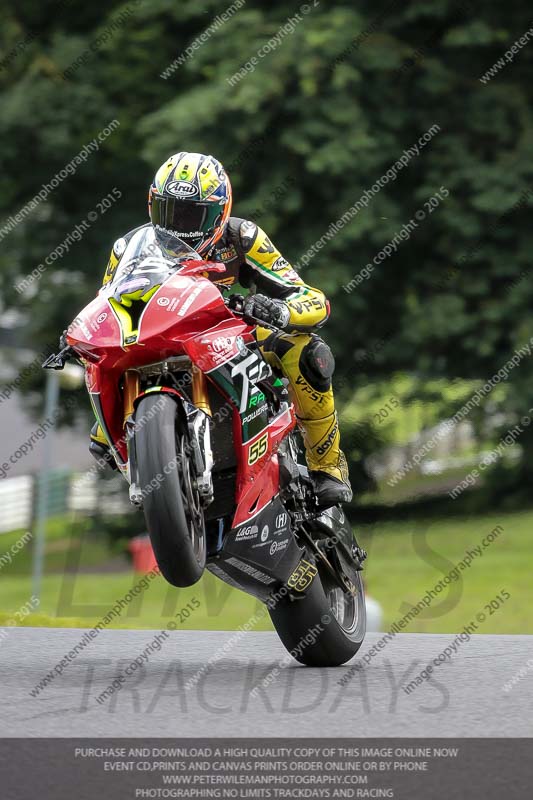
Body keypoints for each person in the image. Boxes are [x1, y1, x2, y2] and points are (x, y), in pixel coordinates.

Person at [91, 152, 352, 507]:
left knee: (306, 350)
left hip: (228, 332)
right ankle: (115, 426)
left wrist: (277, 309)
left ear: (220, 212)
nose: (179, 226)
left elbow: (312, 299)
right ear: (152, 205)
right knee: (92, 357)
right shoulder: (127, 248)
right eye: (169, 212)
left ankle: (328, 467)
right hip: (156, 335)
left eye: (191, 215)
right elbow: (106, 301)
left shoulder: (241, 237)